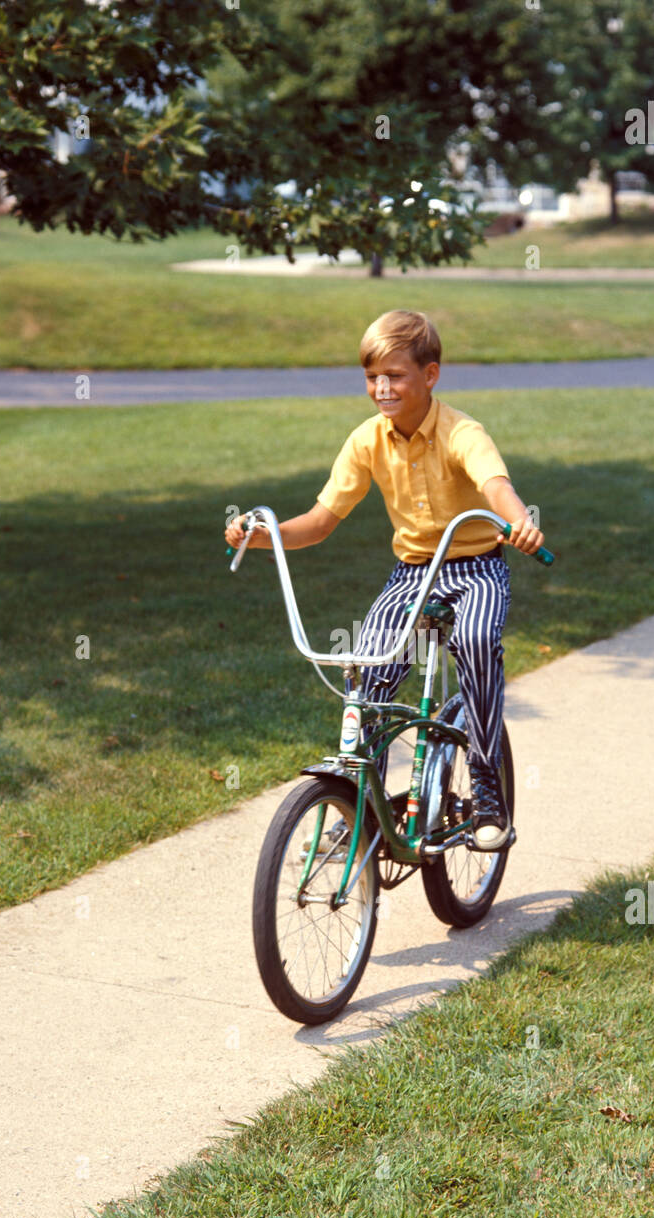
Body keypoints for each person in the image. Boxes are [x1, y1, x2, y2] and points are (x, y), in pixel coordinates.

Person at [223, 309, 544, 850]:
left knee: (476, 640)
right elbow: (321, 522)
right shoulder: (367, 440)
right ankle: (354, 799)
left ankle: (487, 786)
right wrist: (263, 535)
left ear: (430, 375)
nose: (381, 388)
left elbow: (495, 487)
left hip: (478, 568)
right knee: (366, 668)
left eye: (394, 375)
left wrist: (519, 521)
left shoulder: (462, 432)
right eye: (372, 376)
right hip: (413, 573)